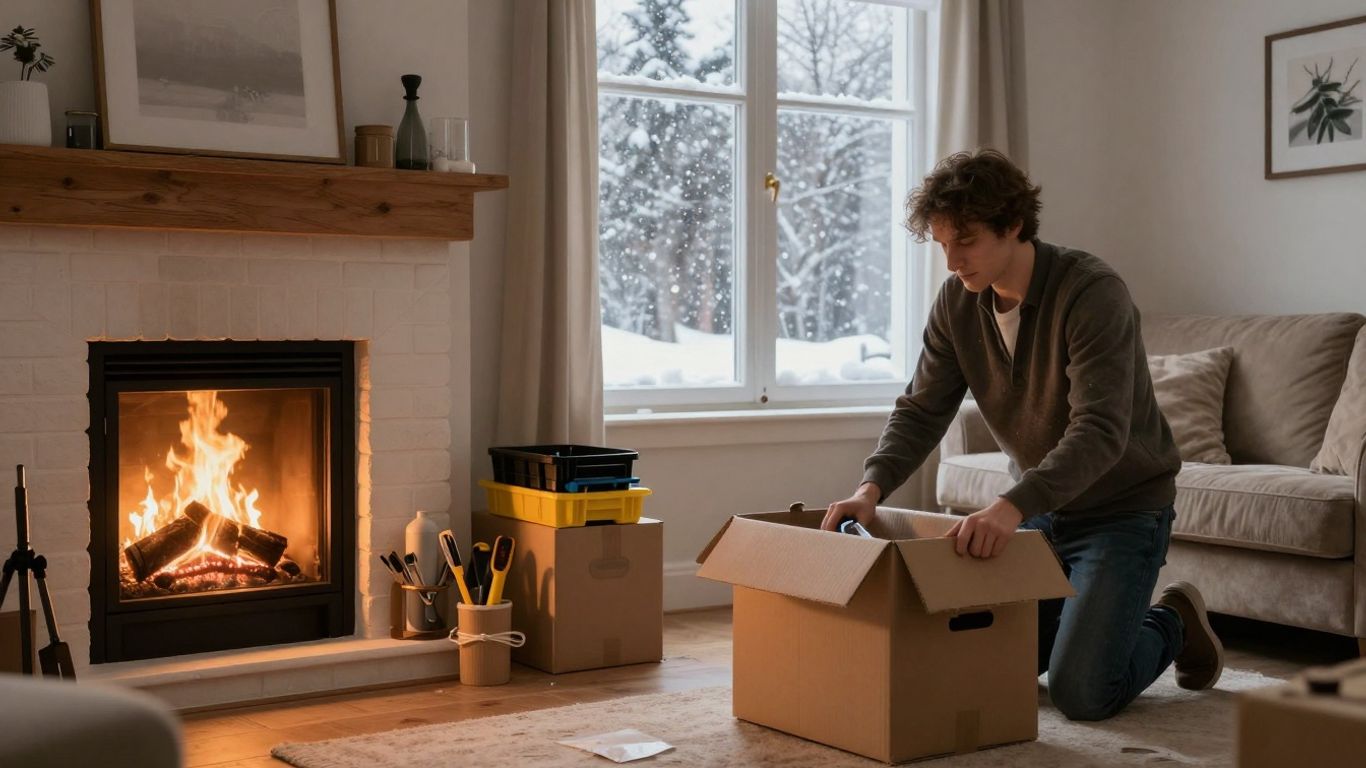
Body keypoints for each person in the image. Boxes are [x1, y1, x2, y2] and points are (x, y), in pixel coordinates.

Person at [820, 149, 1224, 722]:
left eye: (966, 241)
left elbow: (1101, 431)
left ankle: (1174, 620)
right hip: (1041, 518)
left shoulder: (1092, 293)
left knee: (1081, 691)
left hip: (1121, 512)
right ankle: (1076, 621)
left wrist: (1010, 507)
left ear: (1012, 225)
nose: (953, 261)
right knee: (981, 664)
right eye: (942, 244)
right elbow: (922, 409)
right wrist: (871, 488)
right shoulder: (958, 302)